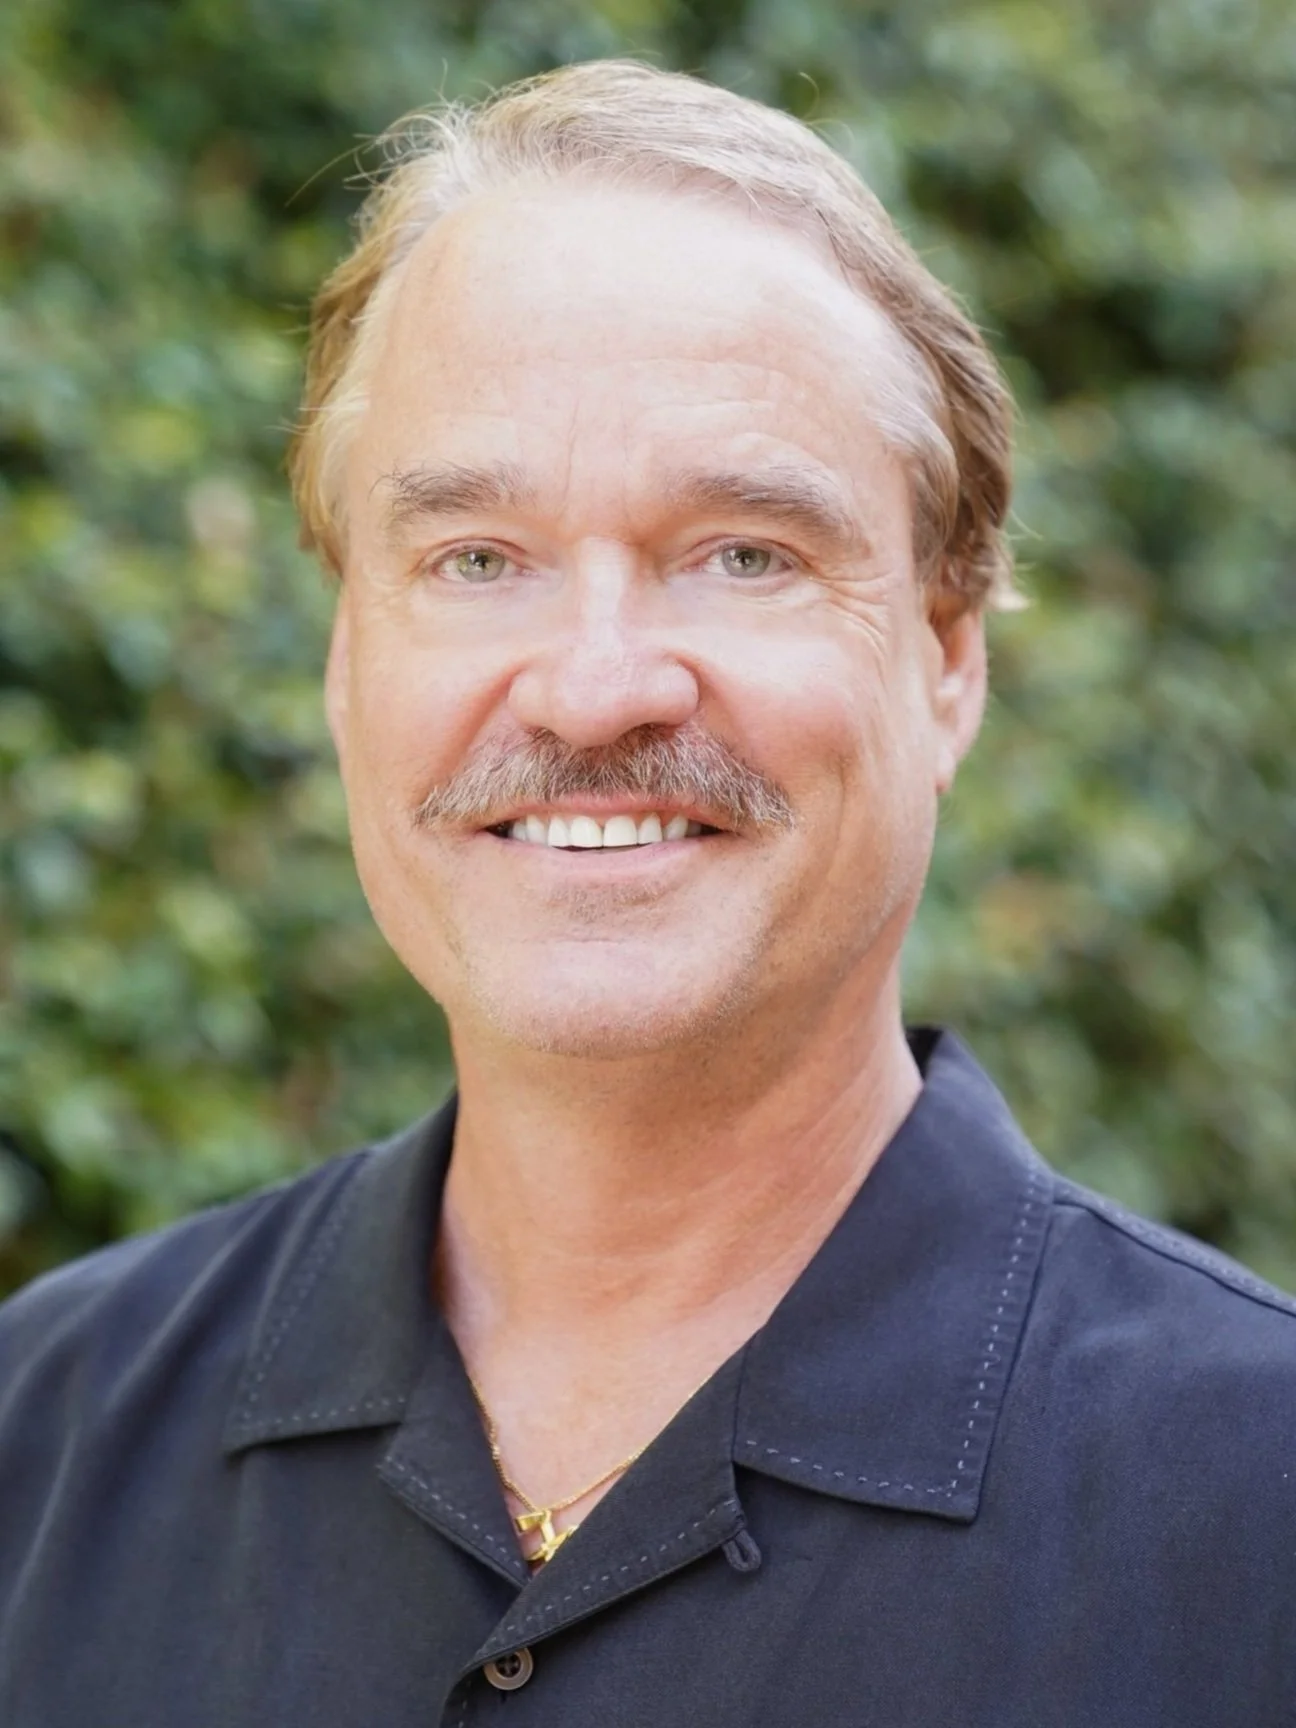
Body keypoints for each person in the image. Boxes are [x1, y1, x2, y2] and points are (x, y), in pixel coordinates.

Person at [2, 58, 1293, 1728]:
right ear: (345, 660)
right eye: (478, 560)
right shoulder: (46, 1436)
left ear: (948, 659)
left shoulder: (1254, 1516)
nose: (595, 687)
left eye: (744, 553)